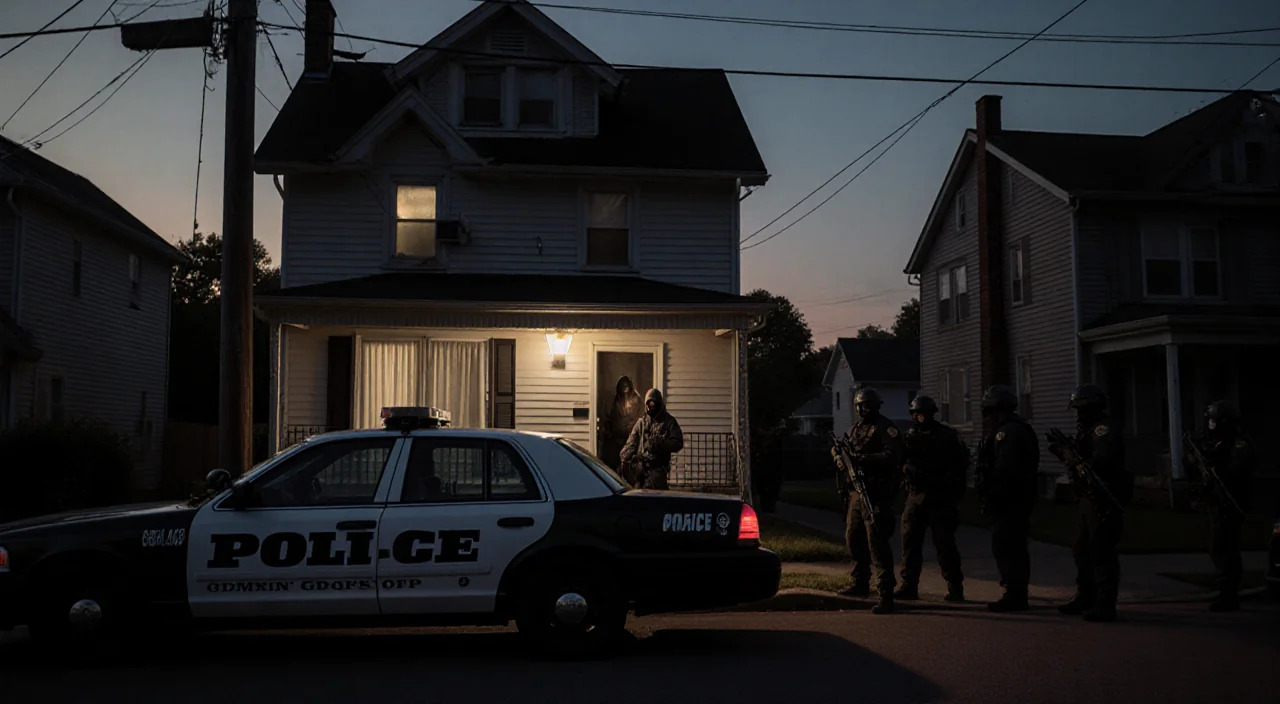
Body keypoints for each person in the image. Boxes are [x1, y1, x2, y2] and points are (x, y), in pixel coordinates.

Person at [1048, 383, 1132, 623]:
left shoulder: (1103, 429)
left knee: (1101, 549)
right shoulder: (1088, 429)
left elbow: (1100, 461)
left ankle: (1105, 603)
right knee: (1081, 548)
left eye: (1081, 408)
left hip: (1103, 496)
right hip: (1088, 497)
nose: (1078, 413)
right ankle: (1086, 596)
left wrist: (1072, 458)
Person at [831, 387, 905, 614]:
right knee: (853, 537)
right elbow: (840, 449)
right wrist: (838, 458)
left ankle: (886, 593)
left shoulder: (886, 428)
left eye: (869, 406)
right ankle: (859, 582)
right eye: (863, 406)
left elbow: (893, 456)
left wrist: (864, 459)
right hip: (856, 493)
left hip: (876, 493)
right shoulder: (856, 428)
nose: (866, 409)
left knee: (877, 543)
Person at [896, 395, 969, 603]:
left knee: (944, 545)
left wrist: (950, 489)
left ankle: (955, 586)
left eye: (924, 413)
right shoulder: (909, 436)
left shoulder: (947, 436)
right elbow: (900, 461)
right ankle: (909, 585)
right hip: (916, 495)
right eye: (918, 414)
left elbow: (960, 465)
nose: (921, 417)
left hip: (939, 497)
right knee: (910, 543)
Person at [1185, 400, 1256, 612]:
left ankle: (1229, 593)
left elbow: (1237, 469)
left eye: (1214, 420)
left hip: (1229, 502)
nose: (1210, 424)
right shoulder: (1213, 442)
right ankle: (1226, 591)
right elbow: (1194, 466)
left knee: (1224, 547)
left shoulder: (1238, 442)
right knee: (1219, 546)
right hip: (1215, 501)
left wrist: (1215, 463)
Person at [975, 385, 1039, 613]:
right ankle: (1014, 591)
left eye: (989, 409)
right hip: (1011, 498)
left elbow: (1006, 468)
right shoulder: (1008, 429)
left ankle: (1016, 594)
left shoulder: (1008, 432)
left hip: (1011, 499)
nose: (987, 415)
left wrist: (994, 491)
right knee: (1007, 545)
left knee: (1009, 546)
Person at [620, 388, 684, 490]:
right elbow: (630, 444)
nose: (652, 407)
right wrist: (628, 456)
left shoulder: (669, 422)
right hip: (641, 473)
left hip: (658, 472)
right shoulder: (641, 423)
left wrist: (661, 442)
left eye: (655, 404)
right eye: (649, 405)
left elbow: (678, 443)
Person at [603, 375, 644, 474]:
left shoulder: (636, 399)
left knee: (629, 465)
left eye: (626, 386)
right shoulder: (614, 401)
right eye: (623, 386)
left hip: (631, 438)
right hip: (616, 439)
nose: (625, 388)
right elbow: (609, 417)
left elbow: (641, 416)